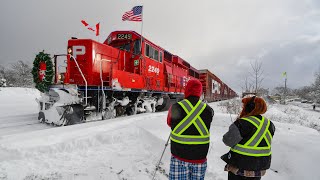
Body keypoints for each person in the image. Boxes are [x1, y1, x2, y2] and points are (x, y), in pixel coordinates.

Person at [167, 79, 214, 180]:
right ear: (200, 92)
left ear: (186, 90)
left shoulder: (175, 107)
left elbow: (169, 123)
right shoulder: (209, 110)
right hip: (199, 157)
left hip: (178, 156)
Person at [221, 96, 276, 180]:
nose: (243, 108)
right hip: (258, 168)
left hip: (239, 167)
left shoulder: (242, 123)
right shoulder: (270, 124)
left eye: (244, 106)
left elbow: (227, 141)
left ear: (249, 107)